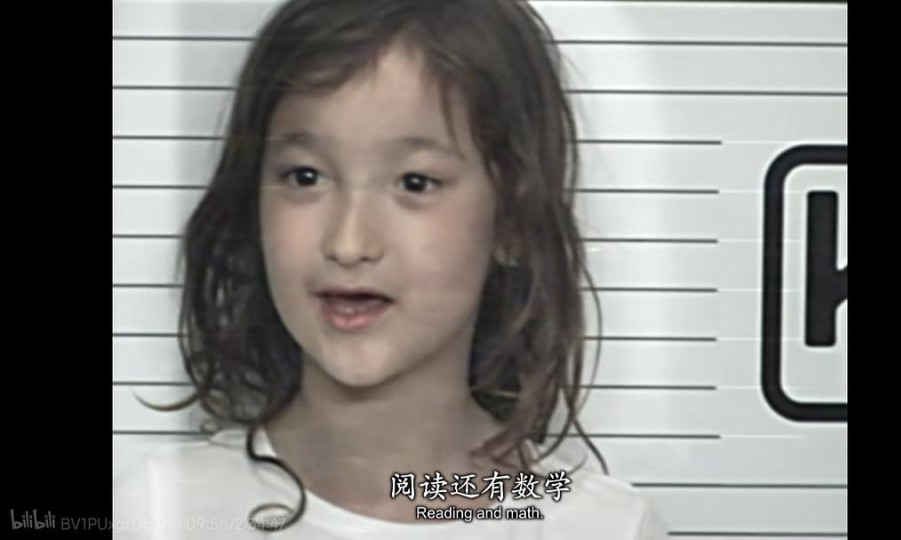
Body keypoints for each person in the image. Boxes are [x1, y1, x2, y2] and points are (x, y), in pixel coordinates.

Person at [113, 1, 670, 538]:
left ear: (512, 222)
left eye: (415, 183)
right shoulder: (164, 511)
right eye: (305, 177)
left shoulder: (602, 528)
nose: (349, 243)